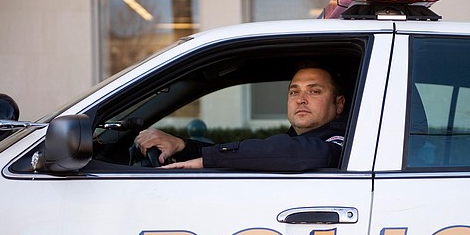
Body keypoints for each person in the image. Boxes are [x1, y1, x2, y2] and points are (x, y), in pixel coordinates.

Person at [135, 65, 347, 171]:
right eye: (294, 92)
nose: (300, 99)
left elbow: (296, 152)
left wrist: (210, 159)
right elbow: (254, 151)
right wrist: (182, 146)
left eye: (314, 91)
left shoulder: (341, 141)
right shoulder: (293, 139)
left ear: (339, 104)